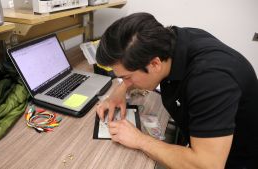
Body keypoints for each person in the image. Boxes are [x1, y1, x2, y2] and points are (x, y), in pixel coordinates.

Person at [95, 12, 258, 169]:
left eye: (127, 77)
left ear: (154, 64)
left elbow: (207, 165)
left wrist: (139, 140)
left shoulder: (210, 80)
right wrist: (120, 90)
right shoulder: (172, 39)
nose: (125, 82)